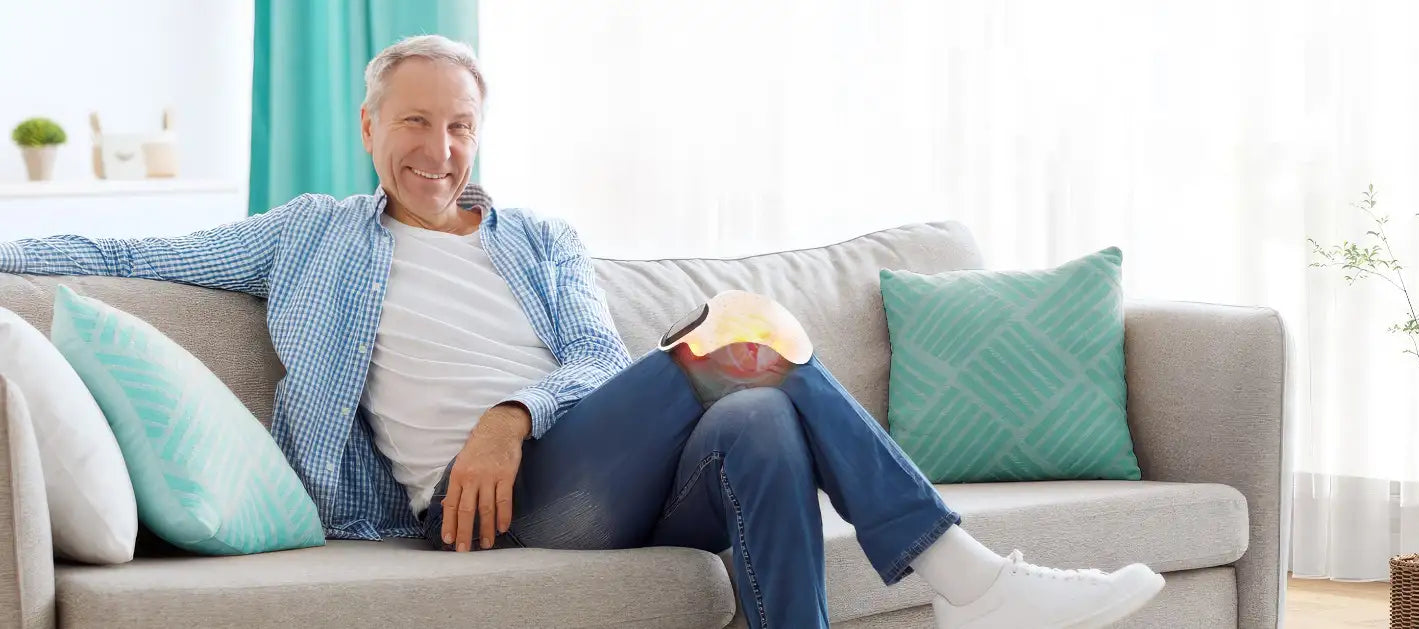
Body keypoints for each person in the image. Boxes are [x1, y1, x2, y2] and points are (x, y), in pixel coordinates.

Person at [0, 35, 1163, 628]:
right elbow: (123, 256)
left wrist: (515, 411)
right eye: (417, 123)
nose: (440, 150)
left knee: (760, 417)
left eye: (461, 127)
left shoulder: (541, 239)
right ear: (368, 127)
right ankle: (964, 572)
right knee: (745, 334)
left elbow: (601, 363)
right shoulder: (310, 235)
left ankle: (958, 577)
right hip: (478, 511)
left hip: (591, 464)